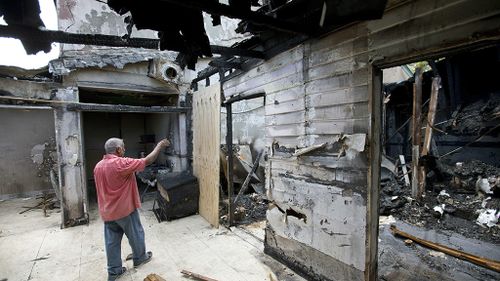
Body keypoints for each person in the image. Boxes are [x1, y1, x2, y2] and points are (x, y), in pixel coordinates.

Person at [94, 137, 170, 281]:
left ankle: (114, 272)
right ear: (117, 149)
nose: (124, 149)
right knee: (136, 234)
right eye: (123, 147)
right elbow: (147, 161)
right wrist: (159, 145)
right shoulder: (121, 163)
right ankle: (140, 258)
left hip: (107, 212)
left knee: (112, 242)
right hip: (124, 210)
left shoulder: (98, 166)